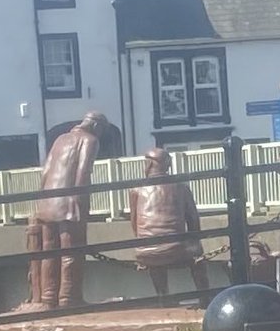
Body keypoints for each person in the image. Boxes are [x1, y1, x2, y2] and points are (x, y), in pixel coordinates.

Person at [27, 111, 108, 308]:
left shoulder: (60, 139)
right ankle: (68, 297)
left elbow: (45, 172)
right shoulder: (89, 141)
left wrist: (42, 202)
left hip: (48, 202)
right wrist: (79, 201)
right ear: (97, 126)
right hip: (69, 204)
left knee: (49, 252)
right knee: (71, 252)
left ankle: (48, 297)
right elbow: (83, 171)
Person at [128, 148, 210, 303]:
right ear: (167, 165)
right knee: (197, 254)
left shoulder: (136, 189)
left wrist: (142, 243)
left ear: (148, 164)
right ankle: (205, 297)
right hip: (177, 249)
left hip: (145, 252)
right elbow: (193, 220)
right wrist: (194, 241)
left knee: (153, 252)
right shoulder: (181, 187)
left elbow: (134, 222)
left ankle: (164, 298)